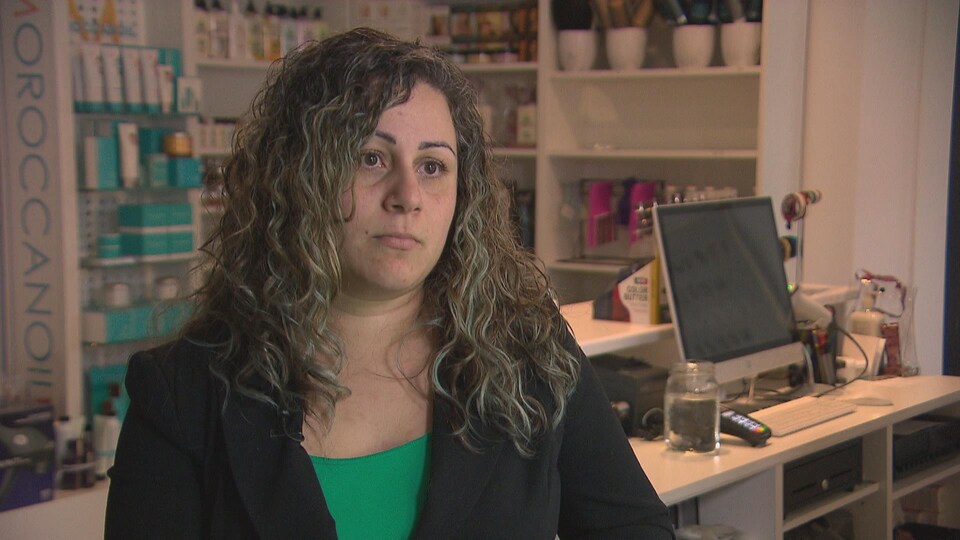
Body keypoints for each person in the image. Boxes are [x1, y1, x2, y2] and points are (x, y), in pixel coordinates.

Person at [104, 28, 674, 540]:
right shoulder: (186, 393)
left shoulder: (528, 353)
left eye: (433, 166)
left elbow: (635, 528)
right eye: (371, 158)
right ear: (298, 176)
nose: (407, 195)